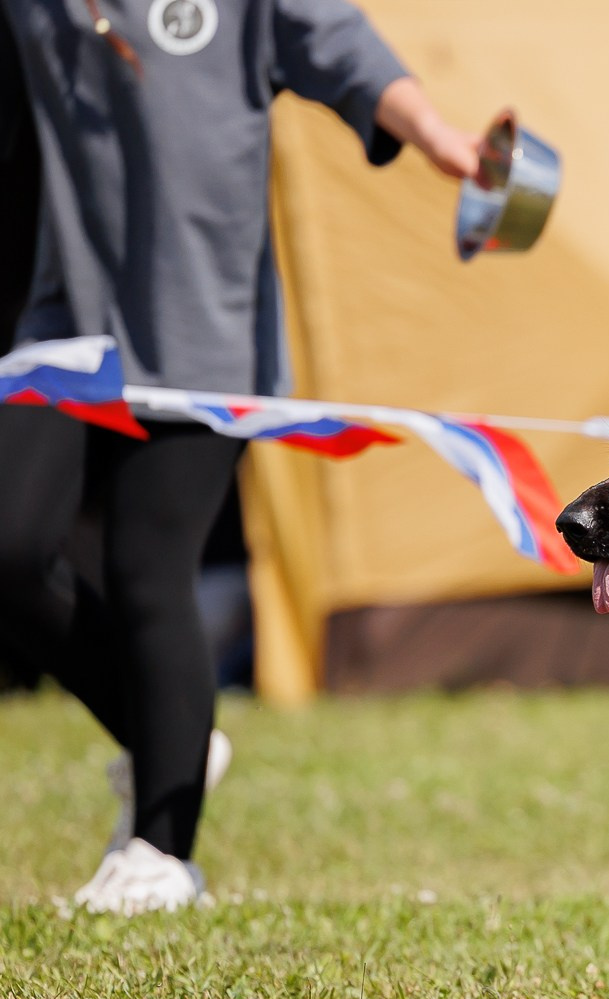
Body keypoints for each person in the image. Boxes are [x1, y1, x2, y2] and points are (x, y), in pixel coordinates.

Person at [0, 0, 481, 912]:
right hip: (65, 318)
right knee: (9, 546)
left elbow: (339, 45)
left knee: (149, 568)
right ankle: (165, 734)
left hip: (198, 328)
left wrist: (441, 139)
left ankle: (162, 851)